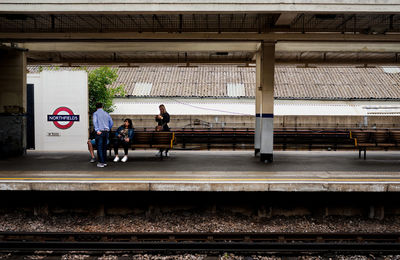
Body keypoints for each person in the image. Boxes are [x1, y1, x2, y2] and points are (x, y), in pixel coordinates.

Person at [93, 102, 113, 168]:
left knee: (99, 147)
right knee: (104, 147)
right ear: (102, 107)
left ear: (96, 107)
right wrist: (108, 129)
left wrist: (97, 130)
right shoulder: (106, 113)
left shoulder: (95, 114)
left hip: (100, 132)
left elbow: (95, 122)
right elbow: (111, 123)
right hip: (106, 132)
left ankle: (101, 162)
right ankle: (104, 162)